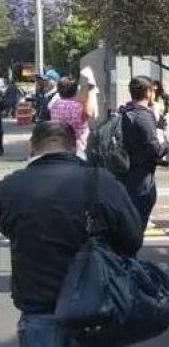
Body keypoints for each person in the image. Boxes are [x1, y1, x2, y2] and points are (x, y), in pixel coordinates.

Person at [0, 121, 143, 346]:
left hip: (40, 307)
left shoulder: (10, 187)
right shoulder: (101, 181)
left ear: (32, 146)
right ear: (75, 146)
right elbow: (132, 238)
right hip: (98, 304)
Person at [121, 76, 169, 231]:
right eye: (153, 90)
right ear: (147, 92)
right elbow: (156, 150)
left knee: (130, 219)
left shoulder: (126, 111)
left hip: (126, 171)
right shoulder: (143, 115)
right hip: (141, 175)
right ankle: (131, 252)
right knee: (137, 220)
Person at [49, 76, 97, 159]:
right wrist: (91, 91)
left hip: (60, 146)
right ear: (75, 91)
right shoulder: (77, 106)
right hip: (78, 148)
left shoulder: (55, 105)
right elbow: (88, 113)